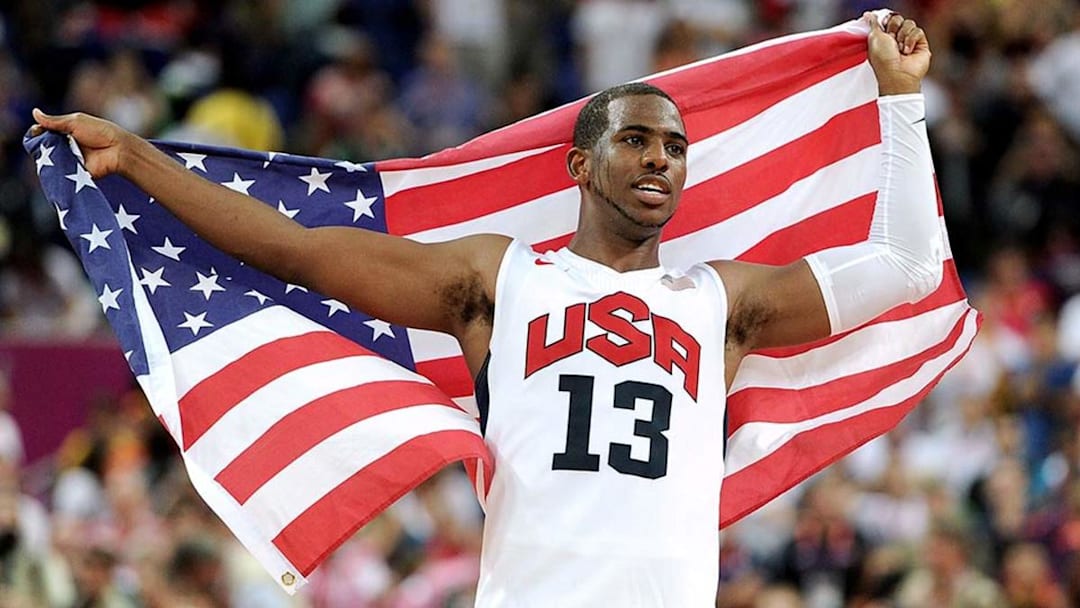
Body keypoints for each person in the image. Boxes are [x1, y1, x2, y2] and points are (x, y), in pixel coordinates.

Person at [31, 12, 938, 607]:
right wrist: (141, 161)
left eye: (673, 146)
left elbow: (905, 266)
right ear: (581, 166)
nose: (660, 158)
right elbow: (294, 250)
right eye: (634, 139)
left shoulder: (722, 302)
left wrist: (902, 102)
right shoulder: (499, 281)